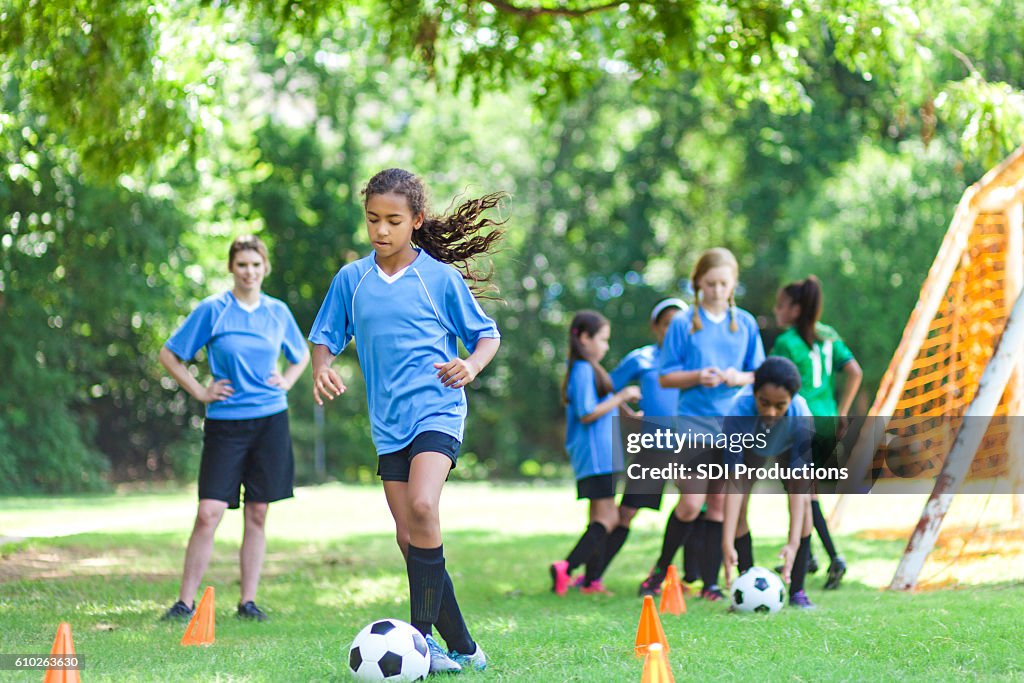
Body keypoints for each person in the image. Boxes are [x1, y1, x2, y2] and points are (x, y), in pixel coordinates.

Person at [308, 168, 503, 674]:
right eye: (373, 219)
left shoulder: (438, 278)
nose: (381, 230)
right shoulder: (352, 280)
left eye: (393, 220)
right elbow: (325, 335)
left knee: (422, 506)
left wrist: (471, 365)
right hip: (388, 424)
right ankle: (461, 642)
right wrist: (322, 367)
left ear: (416, 221)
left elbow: (486, 336)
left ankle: (421, 642)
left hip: (437, 411)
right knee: (407, 535)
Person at [159, 235, 309, 623]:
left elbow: (301, 353)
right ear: (231, 267)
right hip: (226, 424)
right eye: (242, 265)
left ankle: (248, 603)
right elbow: (170, 354)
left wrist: (288, 381)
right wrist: (199, 391)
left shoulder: (277, 312)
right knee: (209, 512)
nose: (249, 272)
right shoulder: (214, 310)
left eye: (256, 265)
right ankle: (184, 603)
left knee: (258, 512)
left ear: (265, 268)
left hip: (271, 422)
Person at [639, 247, 765, 601]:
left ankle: (710, 584)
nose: (717, 290)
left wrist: (734, 376)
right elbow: (666, 377)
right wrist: (698, 376)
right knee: (691, 504)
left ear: (733, 284)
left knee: (720, 505)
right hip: (694, 424)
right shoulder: (683, 323)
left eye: (724, 283)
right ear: (698, 283)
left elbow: (757, 373)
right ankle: (659, 572)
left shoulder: (747, 324)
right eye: (710, 283)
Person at [596, 298, 704, 589]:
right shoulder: (641, 359)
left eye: (679, 323)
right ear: (655, 327)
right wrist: (625, 411)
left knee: (694, 506)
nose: (673, 329)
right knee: (627, 512)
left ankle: (666, 575)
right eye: (667, 323)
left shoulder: (696, 361)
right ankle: (593, 576)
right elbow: (605, 389)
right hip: (654, 445)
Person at [771, 275, 863, 589]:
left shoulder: (786, 342)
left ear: (796, 309)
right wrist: (842, 410)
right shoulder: (828, 335)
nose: (776, 310)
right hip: (826, 421)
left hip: (799, 422)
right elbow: (854, 371)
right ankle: (807, 557)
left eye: (781, 305)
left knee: (801, 494)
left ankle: (831, 557)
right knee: (806, 492)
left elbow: (776, 384)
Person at [550, 311, 641, 596]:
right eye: (602, 339)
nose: (605, 346)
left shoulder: (589, 368)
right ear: (584, 338)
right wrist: (622, 396)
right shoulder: (581, 369)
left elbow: (600, 404)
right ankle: (566, 566)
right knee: (609, 520)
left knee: (598, 520)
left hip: (602, 454)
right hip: (596, 455)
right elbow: (587, 413)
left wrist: (626, 410)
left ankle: (590, 582)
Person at [720, 356, 817, 609]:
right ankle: (746, 584)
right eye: (764, 403)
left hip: (787, 446)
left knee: (805, 508)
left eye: (780, 405)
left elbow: (799, 487)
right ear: (753, 393)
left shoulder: (801, 415)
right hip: (753, 446)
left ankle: (797, 590)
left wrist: (792, 543)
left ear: (791, 401)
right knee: (739, 508)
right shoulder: (738, 411)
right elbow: (734, 484)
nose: (771, 412)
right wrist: (727, 541)